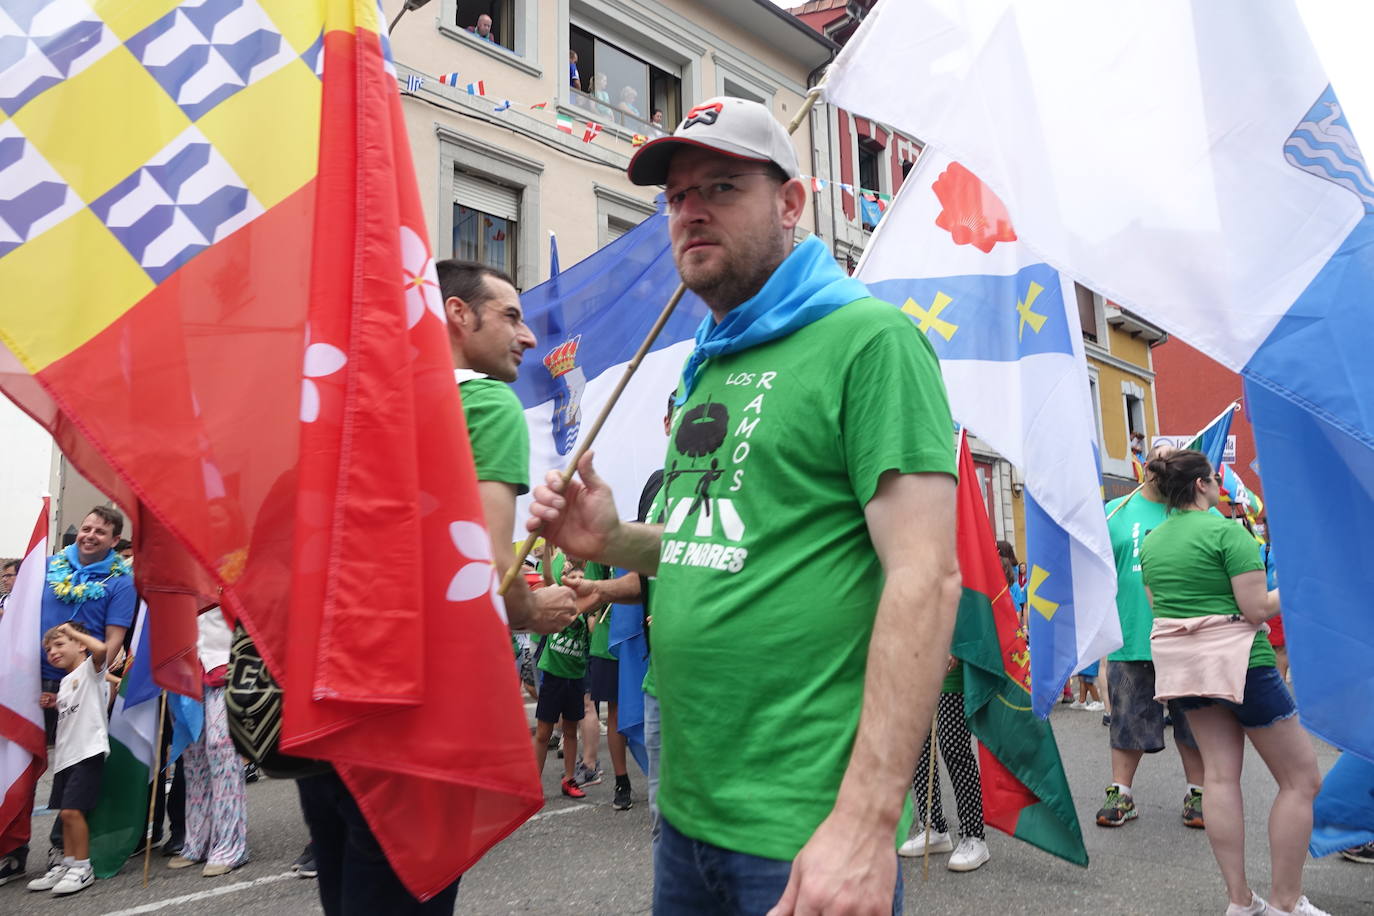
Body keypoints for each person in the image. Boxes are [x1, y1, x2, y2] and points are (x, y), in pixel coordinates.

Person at [527, 96, 960, 915]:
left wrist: (866, 824)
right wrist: (616, 536)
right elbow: (725, 538)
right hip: (686, 818)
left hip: (803, 831)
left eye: (721, 188)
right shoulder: (712, 358)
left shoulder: (869, 341)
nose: (691, 212)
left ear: (790, 203)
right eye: (677, 197)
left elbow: (926, 578)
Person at [294, 261, 577, 916]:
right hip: (417, 709)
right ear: (457, 313)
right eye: (511, 315)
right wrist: (535, 607)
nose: (528, 336)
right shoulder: (483, 404)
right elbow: (481, 567)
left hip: (330, 703)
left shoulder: (354, 406)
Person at [1140, 449, 1326, 916]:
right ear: (1202, 485)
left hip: (1185, 670)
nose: (1220, 487)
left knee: (1219, 778)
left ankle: (1240, 901)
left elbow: (1159, 606)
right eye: (1216, 481)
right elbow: (1257, 609)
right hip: (1243, 663)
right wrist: (1302, 584)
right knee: (1301, 780)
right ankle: (1285, 902)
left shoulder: (1152, 541)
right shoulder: (1227, 532)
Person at [1096, 444, 1206, 830]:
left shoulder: (1190, 511)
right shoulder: (1114, 513)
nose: (1163, 462)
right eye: (1158, 454)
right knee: (1126, 722)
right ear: (1146, 466)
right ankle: (1121, 794)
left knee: (1193, 721)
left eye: (1173, 457)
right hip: (1131, 638)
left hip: (1184, 639)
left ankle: (1198, 793)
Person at [25, 623, 108, 897]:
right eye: (48, 649)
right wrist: (55, 702)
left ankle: (83, 867)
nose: (53, 652)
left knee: (73, 812)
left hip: (87, 752)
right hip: (66, 757)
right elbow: (71, 706)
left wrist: (73, 632)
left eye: (60, 644)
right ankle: (69, 863)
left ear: (79, 644)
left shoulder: (91, 670)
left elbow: (102, 649)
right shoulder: (64, 681)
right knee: (66, 813)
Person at [168, 608, 247, 878]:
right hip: (185, 670)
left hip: (225, 664)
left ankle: (230, 845)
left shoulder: (231, 567)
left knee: (222, 751)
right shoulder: (174, 573)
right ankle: (197, 841)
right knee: (192, 757)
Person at [899, 657, 989, 872]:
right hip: (919, 664)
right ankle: (933, 826)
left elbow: (974, 622)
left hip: (952, 667)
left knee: (953, 747)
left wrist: (956, 646)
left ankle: (974, 835)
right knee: (919, 744)